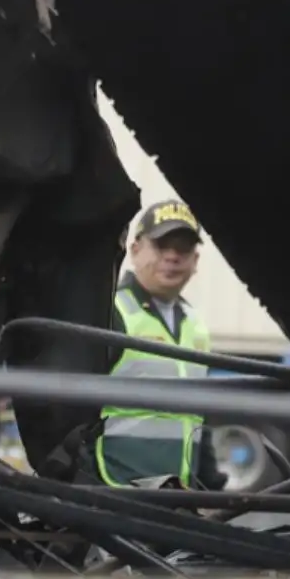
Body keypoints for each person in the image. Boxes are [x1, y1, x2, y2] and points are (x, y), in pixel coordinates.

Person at [94, 199, 223, 488]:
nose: (173, 257)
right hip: (115, 491)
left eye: (183, 248)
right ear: (135, 249)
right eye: (162, 245)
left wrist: (209, 484)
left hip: (176, 496)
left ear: (196, 261)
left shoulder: (195, 326)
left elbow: (199, 416)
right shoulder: (109, 311)